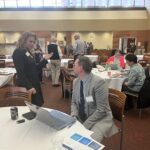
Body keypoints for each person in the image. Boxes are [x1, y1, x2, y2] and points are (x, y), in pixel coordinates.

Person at [71, 56, 118, 142]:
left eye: (74, 65)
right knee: (68, 137)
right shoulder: (76, 82)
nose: (72, 66)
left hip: (99, 119)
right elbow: (73, 102)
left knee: (87, 142)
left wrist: (84, 126)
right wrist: (74, 115)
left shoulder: (98, 82)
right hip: (82, 117)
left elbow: (101, 110)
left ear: (81, 68)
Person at [13, 32, 53, 106]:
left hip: (34, 83)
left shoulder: (27, 52)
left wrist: (44, 60)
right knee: (30, 108)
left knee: (37, 106)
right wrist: (29, 87)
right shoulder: (18, 52)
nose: (32, 44)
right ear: (23, 40)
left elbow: (35, 68)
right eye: (30, 41)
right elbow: (20, 73)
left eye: (34, 42)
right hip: (27, 85)